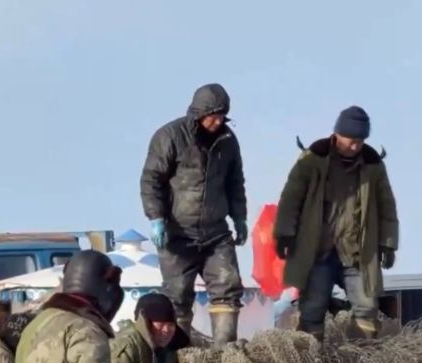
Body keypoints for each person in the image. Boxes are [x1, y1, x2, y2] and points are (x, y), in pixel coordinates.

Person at [273, 106, 399, 343]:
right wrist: (284, 233)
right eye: (351, 140)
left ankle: (361, 356)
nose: (355, 146)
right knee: (313, 308)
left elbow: (387, 206)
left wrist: (388, 243)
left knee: (367, 307)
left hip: (358, 252)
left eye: (360, 141)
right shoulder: (313, 159)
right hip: (318, 251)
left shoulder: (373, 165)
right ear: (338, 134)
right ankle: (310, 358)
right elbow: (291, 197)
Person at [140, 82, 248, 346]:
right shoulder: (169, 136)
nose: (217, 121)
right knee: (177, 297)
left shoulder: (228, 141)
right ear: (199, 113)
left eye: (222, 116)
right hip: (177, 234)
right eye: (213, 115)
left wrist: (240, 217)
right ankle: (178, 357)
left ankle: (225, 354)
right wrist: (156, 218)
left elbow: (235, 182)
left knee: (228, 288)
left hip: (216, 233)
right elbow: (151, 179)